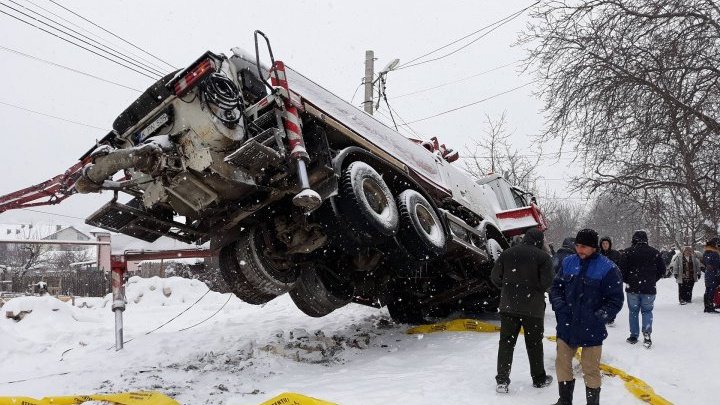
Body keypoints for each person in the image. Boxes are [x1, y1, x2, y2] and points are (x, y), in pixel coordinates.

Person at [550, 229, 624, 405]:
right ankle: (565, 400)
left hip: (592, 328)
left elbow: (615, 300)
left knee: (590, 369)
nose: (579, 250)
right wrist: (560, 307)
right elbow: (556, 288)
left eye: (583, 246)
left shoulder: (608, 267)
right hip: (567, 325)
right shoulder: (568, 262)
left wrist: (599, 317)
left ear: (593, 247)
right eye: (577, 246)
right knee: (562, 364)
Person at [490, 228, 554, 393]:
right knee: (534, 344)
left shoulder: (507, 253)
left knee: (506, 344)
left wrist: (508, 287)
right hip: (533, 309)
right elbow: (547, 282)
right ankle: (539, 379)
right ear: (539, 240)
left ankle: (502, 380)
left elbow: (495, 277)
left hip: (509, 306)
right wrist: (534, 289)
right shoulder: (543, 257)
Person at [619, 230, 665, 348]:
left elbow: (621, 270)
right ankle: (647, 333)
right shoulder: (654, 252)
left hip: (632, 288)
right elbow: (662, 270)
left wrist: (628, 280)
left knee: (633, 311)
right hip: (649, 288)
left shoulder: (628, 252)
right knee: (647, 311)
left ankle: (634, 335)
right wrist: (653, 279)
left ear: (634, 239)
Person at [703, 237, 720, 313]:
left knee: (708, 289)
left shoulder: (706, 252)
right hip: (714, 274)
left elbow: (705, 263)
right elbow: (717, 265)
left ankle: (707, 306)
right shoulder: (714, 253)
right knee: (711, 290)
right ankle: (710, 307)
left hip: (708, 274)